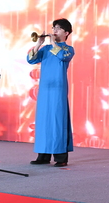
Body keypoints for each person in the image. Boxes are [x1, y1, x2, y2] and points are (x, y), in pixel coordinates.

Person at [27, 18, 75, 167]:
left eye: (58, 28)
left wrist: (54, 43)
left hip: (58, 89)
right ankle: (43, 155)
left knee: (57, 120)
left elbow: (61, 56)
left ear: (66, 33)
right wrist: (38, 44)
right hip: (45, 89)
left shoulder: (68, 49)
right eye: (53, 28)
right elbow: (31, 60)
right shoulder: (45, 49)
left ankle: (61, 157)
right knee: (43, 121)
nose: (54, 31)